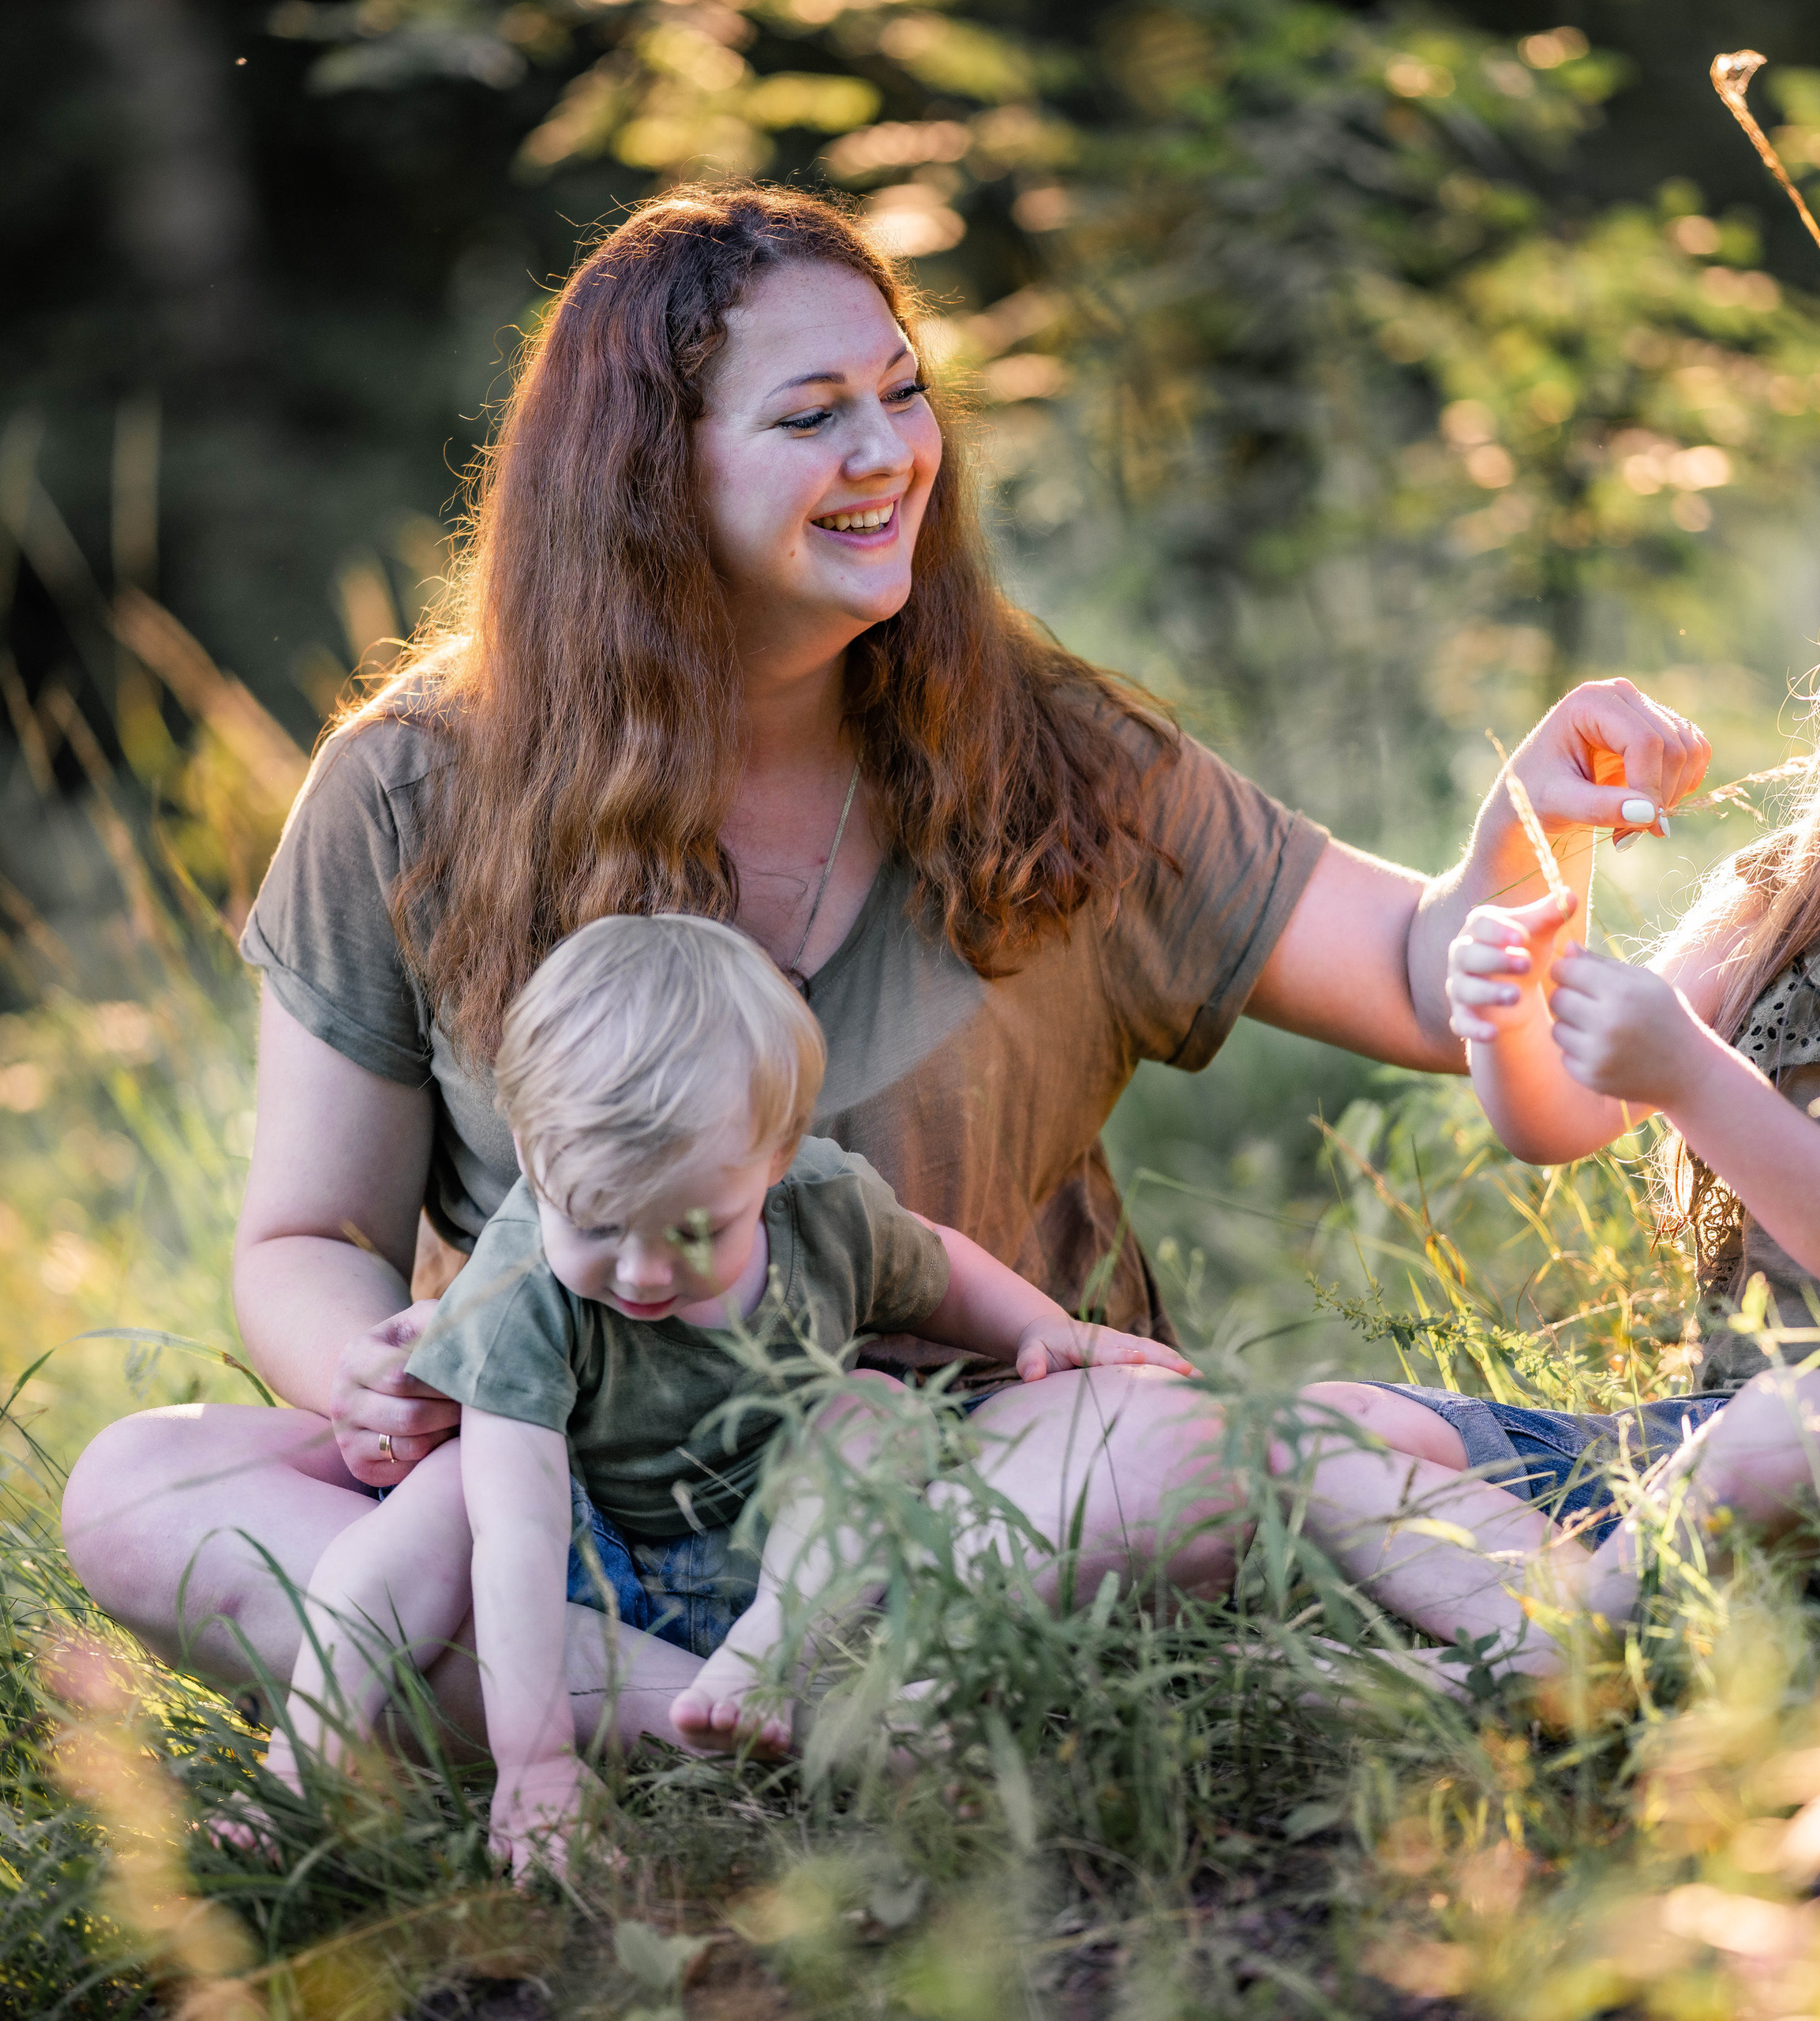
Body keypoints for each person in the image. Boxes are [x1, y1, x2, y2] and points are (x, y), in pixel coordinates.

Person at [59, 184, 1708, 1743]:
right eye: (810, 415)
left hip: (972, 1483)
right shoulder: (414, 787)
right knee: (139, 1492)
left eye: (900, 392)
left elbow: (1427, 980)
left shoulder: (1044, 748)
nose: (888, 451)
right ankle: (722, 1726)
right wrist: (363, 1370)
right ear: (645, 472)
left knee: (1177, 1442)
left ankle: (632, 1711)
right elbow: (308, 1232)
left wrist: (1527, 823)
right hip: (577, 1491)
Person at [245, 913, 1192, 1865]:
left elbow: (936, 1272)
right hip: (595, 1567)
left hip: (794, 1545)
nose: (645, 1273)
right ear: (533, 1164)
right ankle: (304, 1760)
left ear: (776, 1159)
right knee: (440, 1499)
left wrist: (1038, 1327)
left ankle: (770, 1657)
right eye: (599, 1228)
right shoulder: (517, 1288)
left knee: (872, 1405)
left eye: (695, 1233)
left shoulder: (822, 1208)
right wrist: (536, 1766)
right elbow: (519, 1539)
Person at [1314, 455, 1820, 1671]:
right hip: (1708, 1446)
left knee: (1787, 1432)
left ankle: (1536, 1670)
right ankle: (1584, 1646)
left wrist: (1691, 1073)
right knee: (1319, 1431)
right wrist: (1508, 1008)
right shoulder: (1791, 903)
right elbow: (1557, 1120)